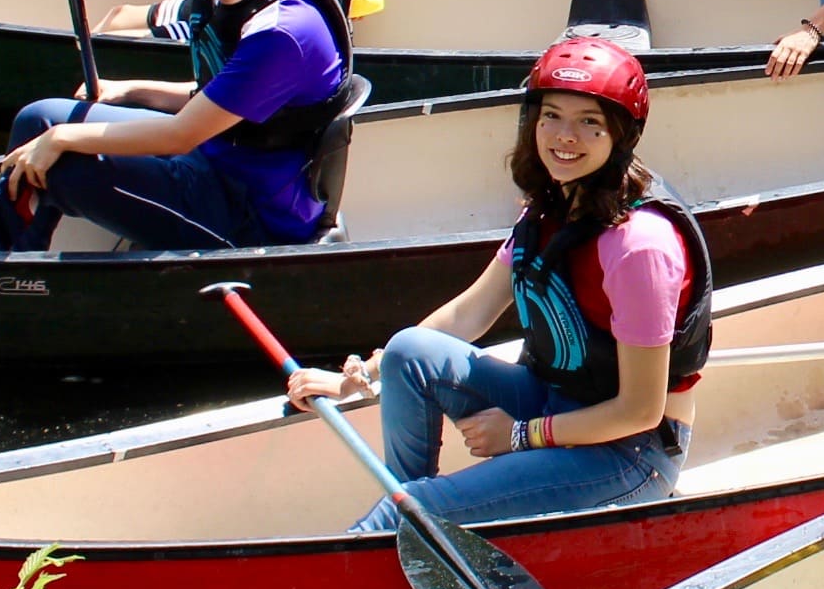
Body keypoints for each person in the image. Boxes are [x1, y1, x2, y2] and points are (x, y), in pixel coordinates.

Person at [283, 38, 709, 527]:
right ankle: (412, 520)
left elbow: (639, 411)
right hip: (555, 399)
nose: (564, 136)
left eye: (589, 122)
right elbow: (471, 312)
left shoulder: (640, 247)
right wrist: (356, 378)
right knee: (408, 351)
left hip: (629, 452)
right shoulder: (556, 202)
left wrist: (523, 435)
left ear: (623, 134)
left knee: (422, 508)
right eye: (551, 116)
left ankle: (408, 522)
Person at [0, 0, 357, 253]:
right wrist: (131, 90)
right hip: (215, 160)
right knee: (37, 118)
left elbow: (180, 135)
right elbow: (217, 101)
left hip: (252, 212)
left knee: (62, 164)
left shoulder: (281, 34)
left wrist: (62, 138)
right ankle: (4, 263)